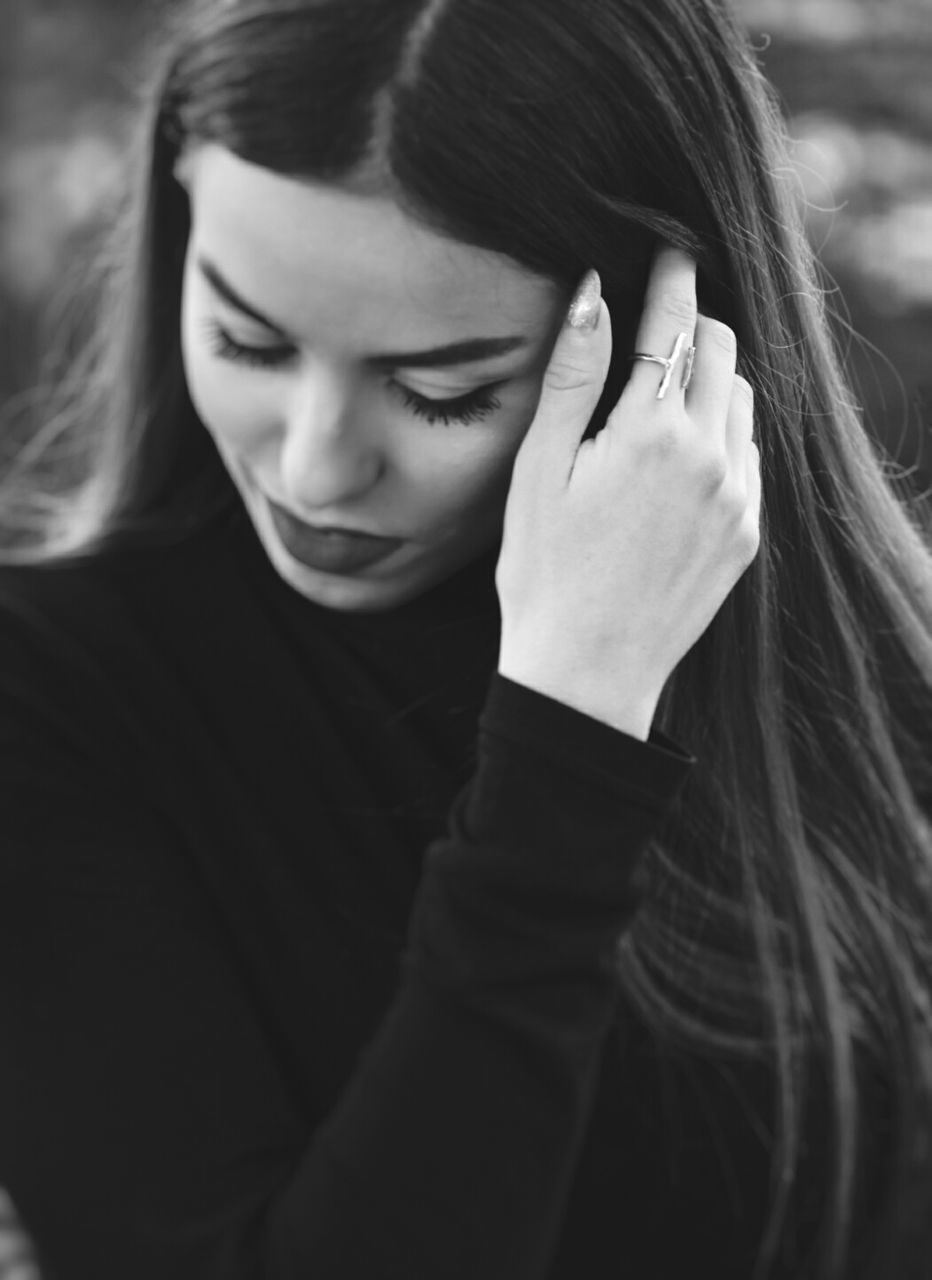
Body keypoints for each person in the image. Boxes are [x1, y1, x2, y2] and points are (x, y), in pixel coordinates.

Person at [0, 0, 930, 1277]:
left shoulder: (873, 697)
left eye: (440, 390)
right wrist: (569, 729)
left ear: (673, 342)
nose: (316, 470)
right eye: (245, 338)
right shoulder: (58, 693)